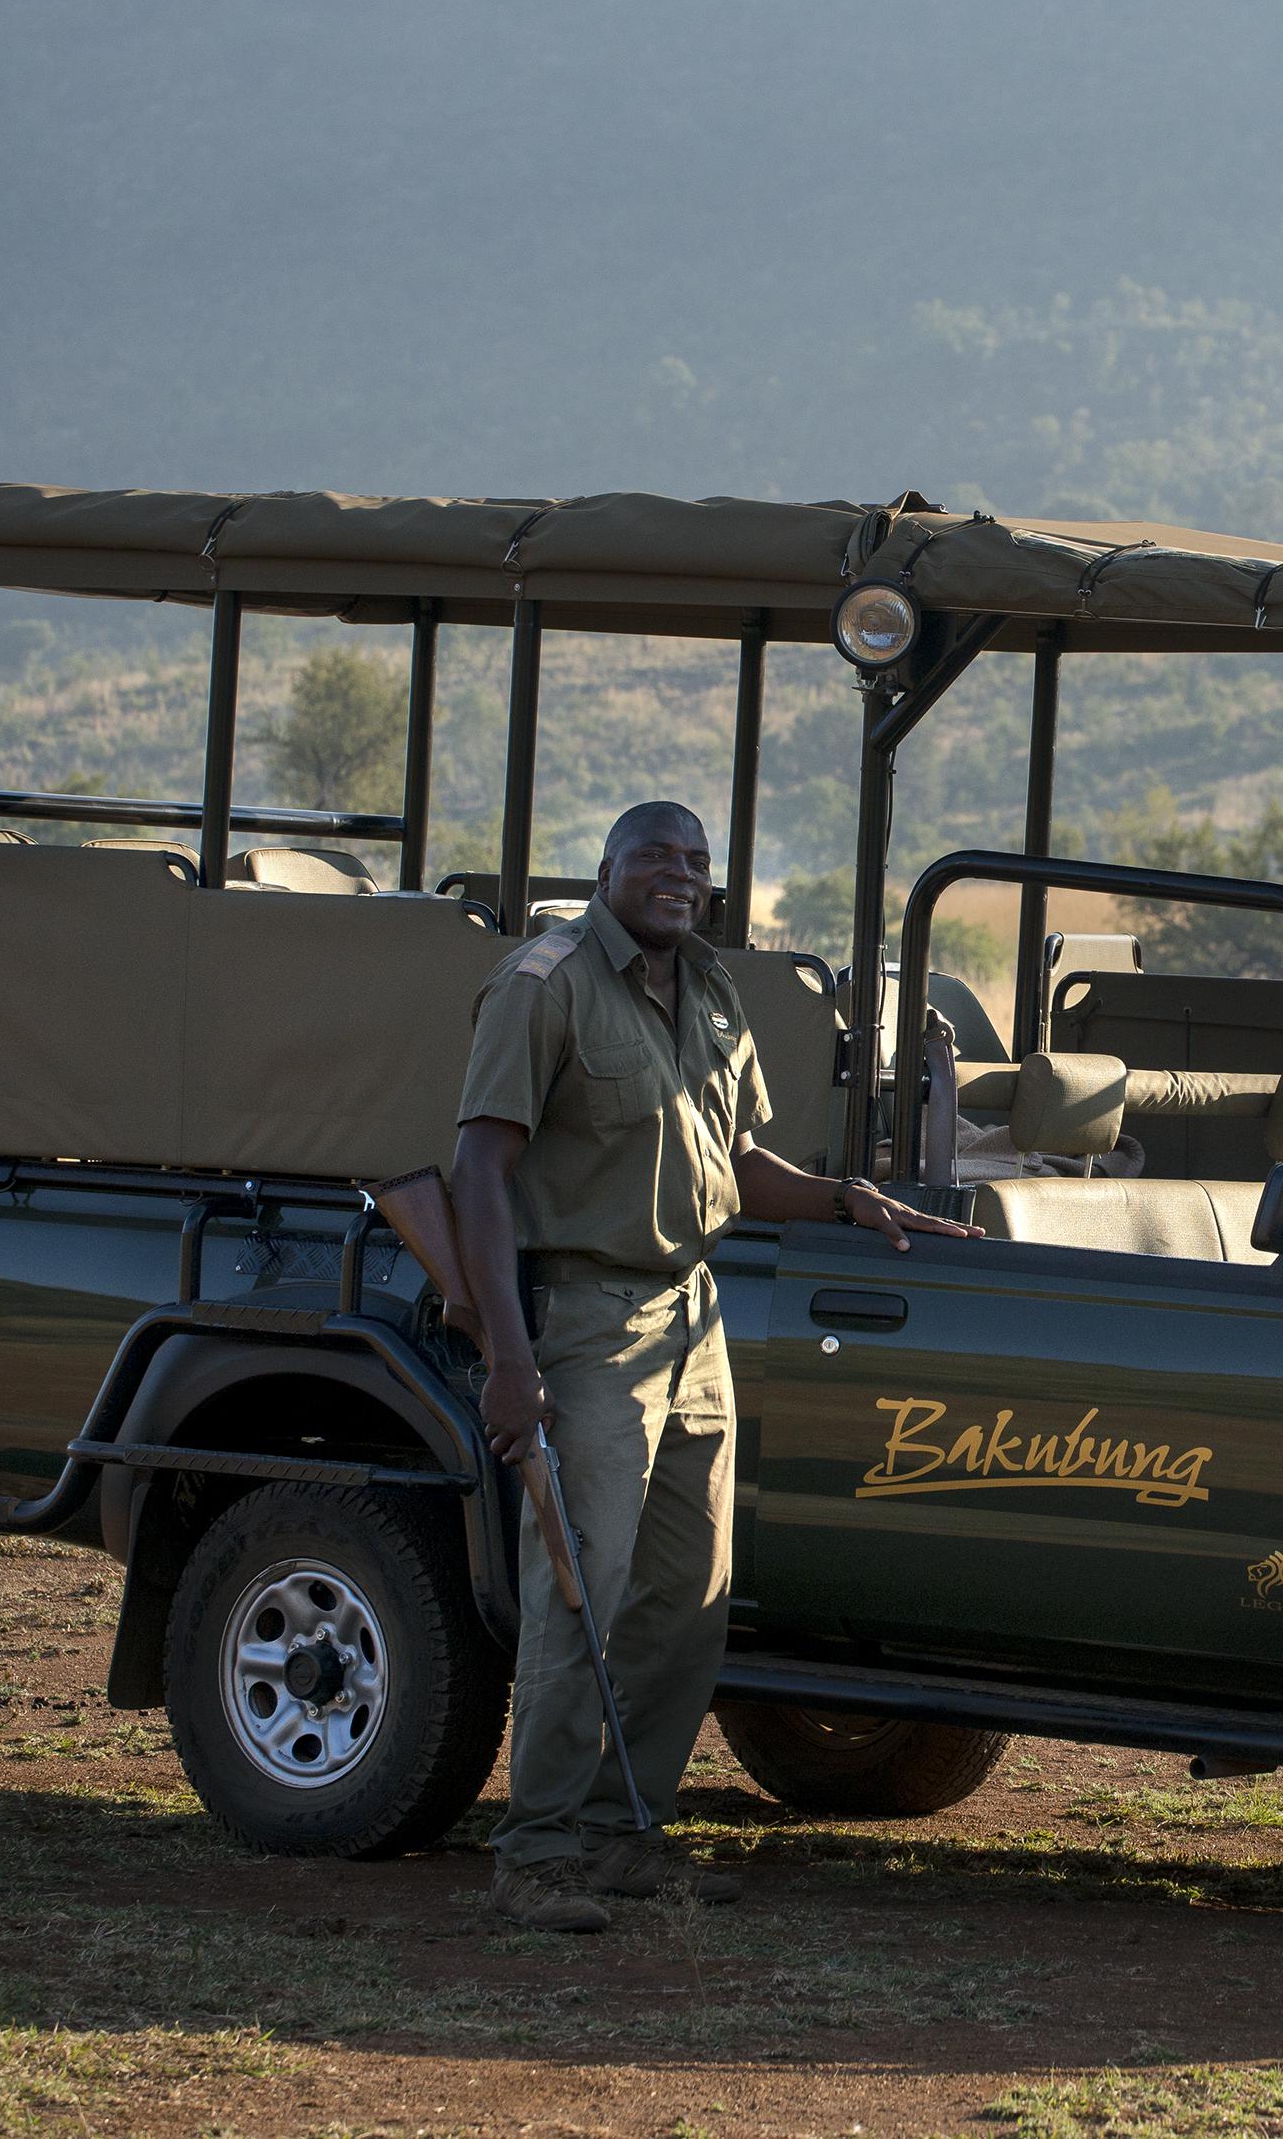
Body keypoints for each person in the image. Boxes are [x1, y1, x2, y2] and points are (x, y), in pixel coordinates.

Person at [450, 799, 976, 1934]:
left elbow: (734, 1161)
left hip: (695, 1317)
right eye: (655, 856)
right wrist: (506, 1354)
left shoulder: (710, 986)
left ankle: (616, 1832)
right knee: (577, 1589)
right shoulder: (543, 984)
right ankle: (535, 1852)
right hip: (586, 1317)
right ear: (605, 871)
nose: (678, 875)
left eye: (695, 861)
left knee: (683, 1597)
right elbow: (479, 1176)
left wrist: (842, 1196)